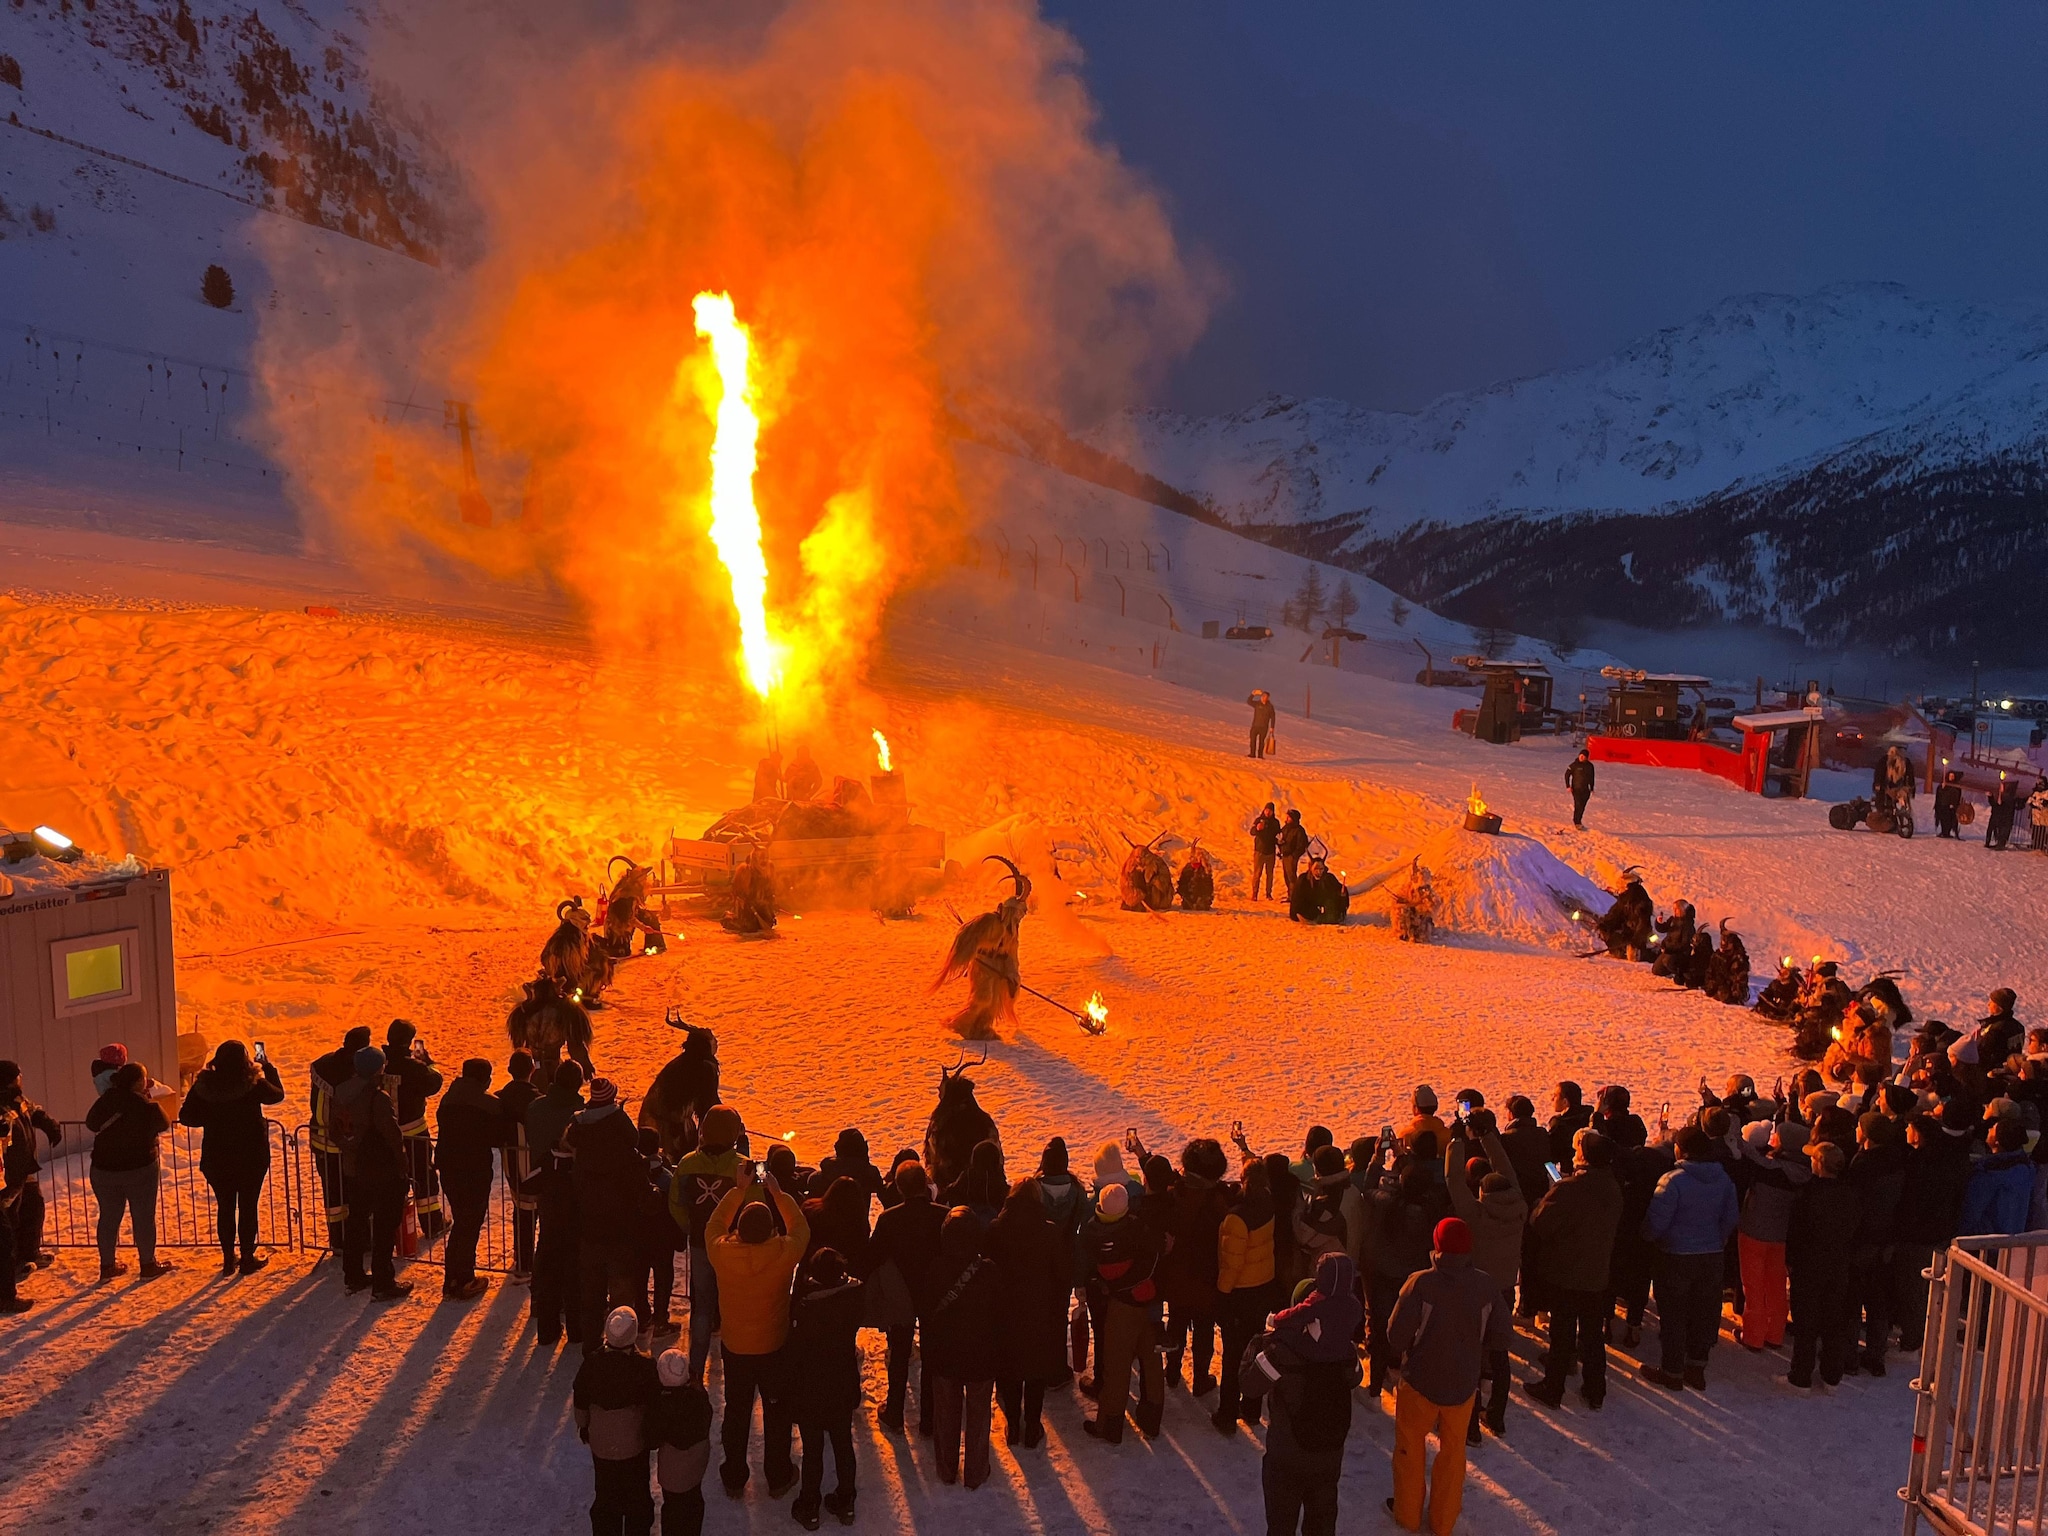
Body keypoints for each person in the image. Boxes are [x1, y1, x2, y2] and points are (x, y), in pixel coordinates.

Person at [1386, 1217, 1511, 1536]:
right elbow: (1502, 1336)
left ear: (1437, 1245)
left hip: (1419, 1383)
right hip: (1463, 1386)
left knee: (1409, 1448)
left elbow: (1396, 1335)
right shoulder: (1486, 1285)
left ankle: (1407, 1514)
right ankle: (1443, 1522)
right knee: (1453, 1455)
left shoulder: (1420, 1283)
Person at [1239, 1253, 1365, 1536]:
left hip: (1287, 1455)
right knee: (1321, 1525)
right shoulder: (1344, 1352)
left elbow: (1249, 1385)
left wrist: (1258, 1343)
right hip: (1329, 1453)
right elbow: (1357, 1377)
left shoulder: (1282, 1351)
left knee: (1281, 1524)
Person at [705, 1167, 808, 1495]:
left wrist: (738, 1190)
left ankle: (734, 1477)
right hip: (773, 1347)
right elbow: (800, 1227)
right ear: (771, 1230)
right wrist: (776, 1192)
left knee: (736, 1412)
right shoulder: (782, 1253)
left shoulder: (721, 1252)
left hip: (736, 1347)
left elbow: (714, 1223)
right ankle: (778, 1475)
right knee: (776, 1413)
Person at [1523, 1129, 1622, 1410]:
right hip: (1596, 1272)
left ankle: (1553, 1387)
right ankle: (1595, 1389)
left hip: (1566, 1273)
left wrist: (1546, 1197)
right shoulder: (1612, 1186)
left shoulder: (1569, 1188)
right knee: (1592, 1335)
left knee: (1562, 1331)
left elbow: (1541, 1222)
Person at [1442, 1114, 1525, 1439]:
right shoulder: (1518, 1205)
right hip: (1505, 1290)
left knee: (1473, 1357)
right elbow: (1508, 1173)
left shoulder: (1476, 1215)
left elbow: (1452, 1180)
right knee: (1500, 1354)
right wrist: (1488, 1136)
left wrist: (1458, 1141)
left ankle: (1472, 1424)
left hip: (1476, 1293)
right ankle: (1498, 1415)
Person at [1640, 1125, 1739, 1391]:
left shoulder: (1673, 1181)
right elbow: (1730, 1216)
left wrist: (1649, 1238)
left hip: (1675, 1256)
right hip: (1711, 1255)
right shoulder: (1722, 1179)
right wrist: (1717, 1239)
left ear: (1681, 1150)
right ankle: (1696, 1366)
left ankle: (1672, 1371)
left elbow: (1657, 1222)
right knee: (1704, 1312)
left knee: (1674, 1315)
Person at [177, 1040, 285, 1276]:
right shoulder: (253, 1083)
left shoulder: (205, 1086)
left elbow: (186, 1117)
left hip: (217, 1158)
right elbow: (277, 1095)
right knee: (248, 1206)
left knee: (225, 1207)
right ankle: (247, 1257)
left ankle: (228, 1259)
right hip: (251, 1156)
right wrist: (267, 1067)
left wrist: (212, 1116)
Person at [1080, 1181, 1167, 1442]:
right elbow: (1156, 1250)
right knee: (1151, 1361)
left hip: (1119, 1307)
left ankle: (1110, 1425)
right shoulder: (1137, 1228)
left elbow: (1088, 1267)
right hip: (1146, 1300)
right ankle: (1151, 1418)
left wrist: (1110, 1286)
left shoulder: (1091, 1231)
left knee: (1116, 1366)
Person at [784, 1248, 864, 1529]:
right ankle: (846, 1500)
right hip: (841, 1383)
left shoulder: (807, 1309)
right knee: (843, 1443)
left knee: (813, 1449)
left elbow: (794, 1352)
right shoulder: (851, 1299)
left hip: (810, 1388)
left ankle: (810, 1504)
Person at [923, 1207, 1003, 1488]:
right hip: (982, 1355)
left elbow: (927, 1312)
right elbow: (999, 1315)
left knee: (945, 1415)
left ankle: (946, 1469)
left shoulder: (935, 1268)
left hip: (945, 1355)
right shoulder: (990, 1270)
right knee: (979, 1416)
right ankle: (976, 1471)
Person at [866, 1160, 947, 1434]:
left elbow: (873, 1257)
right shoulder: (942, 1215)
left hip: (900, 1295)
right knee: (933, 1356)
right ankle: (929, 1418)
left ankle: (895, 1413)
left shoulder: (889, 1219)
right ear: (925, 1186)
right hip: (934, 1294)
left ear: (899, 1188)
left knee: (899, 1355)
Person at [987, 1177, 1068, 1447]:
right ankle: (1033, 1425)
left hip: (1003, 1312)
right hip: (1039, 1311)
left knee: (1009, 1370)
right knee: (1035, 1371)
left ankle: (1013, 1422)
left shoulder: (996, 1229)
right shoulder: (1050, 1232)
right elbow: (1060, 1276)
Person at [573, 1077, 652, 1352]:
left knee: (591, 1293)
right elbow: (640, 1190)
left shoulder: (581, 1147)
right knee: (620, 1291)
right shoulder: (626, 1155)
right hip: (620, 1232)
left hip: (589, 1228)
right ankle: (622, 1345)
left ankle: (591, 1344)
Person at [670, 1103, 745, 1383]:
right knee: (732, 1307)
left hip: (702, 1242)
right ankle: (735, 1369)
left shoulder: (688, 1164)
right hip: (734, 1246)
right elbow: (756, 1205)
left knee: (701, 1306)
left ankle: (695, 1368)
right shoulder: (743, 1167)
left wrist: (689, 1227)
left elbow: (676, 1202)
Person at [573, 1304, 660, 1536]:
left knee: (605, 1492)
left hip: (601, 1444)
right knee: (637, 1496)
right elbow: (654, 1405)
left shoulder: (592, 1363)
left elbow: (580, 1395)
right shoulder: (644, 1367)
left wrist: (584, 1425)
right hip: (634, 1445)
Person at [84, 1059, 173, 1282]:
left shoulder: (106, 1100)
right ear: (138, 1082)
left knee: (108, 1218)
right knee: (143, 1217)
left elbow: (92, 1124)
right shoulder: (146, 1106)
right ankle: (147, 1264)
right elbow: (163, 1124)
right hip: (140, 1168)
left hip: (104, 1169)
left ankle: (107, 1266)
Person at [333, 1046, 410, 1301]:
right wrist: (402, 1165)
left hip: (353, 1168)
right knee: (385, 1225)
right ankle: (382, 1282)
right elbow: (392, 1134)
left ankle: (353, 1275)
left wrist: (349, 1149)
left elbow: (336, 1130)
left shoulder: (340, 1092)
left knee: (356, 1221)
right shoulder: (378, 1097)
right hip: (380, 1170)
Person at [1786, 1141, 1862, 1390]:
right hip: (1839, 1264)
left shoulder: (1807, 1194)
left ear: (1818, 1163)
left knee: (1806, 1323)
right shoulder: (1850, 1193)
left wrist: (1790, 1261)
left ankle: (1801, 1376)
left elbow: (1795, 1232)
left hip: (1809, 1265)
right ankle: (1831, 1375)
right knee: (1833, 1320)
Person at [434, 1057, 508, 1301]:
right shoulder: (487, 1104)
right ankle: (462, 1279)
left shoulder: (449, 1098)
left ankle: (452, 1279)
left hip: (448, 1167)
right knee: (468, 1224)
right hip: (473, 1171)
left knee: (461, 1222)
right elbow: (499, 1136)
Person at [1213, 1159, 1278, 1433]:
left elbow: (1232, 1264)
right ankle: (1251, 1408)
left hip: (1240, 1293)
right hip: (1263, 1288)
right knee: (1255, 1352)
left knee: (1233, 1357)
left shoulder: (1237, 1218)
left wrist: (1221, 1294)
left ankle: (1227, 1414)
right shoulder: (1268, 1205)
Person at [1733, 1120, 1809, 1352]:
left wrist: (1736, 1134)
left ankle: (1754, 1336)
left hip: (1755, 1233)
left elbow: (1752, 1157)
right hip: (1781, 1236)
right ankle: (1775, 1333)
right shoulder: (1805, 1170)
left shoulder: (1772, 1169)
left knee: (1754, 1286)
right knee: (1776, 1285)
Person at [1163, 1139, 1230, 1395]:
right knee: (1204, 1330)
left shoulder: (1174, 1195)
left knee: (1177, 1324)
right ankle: (1201, 1378)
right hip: (1206, 1278)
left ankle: (1171, 1371)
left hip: (1178, 1276)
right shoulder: (1220, 1200)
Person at [529, 1061, 588, 1344]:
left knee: (548, 1260)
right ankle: (577, 1329)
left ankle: (545, 1321)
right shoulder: (581, 1115)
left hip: (548, 1203)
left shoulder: (536, 1108)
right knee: (574, 1271)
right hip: (575, 1213)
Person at [309, 1025, 374, 1254]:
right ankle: (362, 1241)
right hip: (349, 1145)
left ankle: (338, 1241)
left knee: (334, 1196)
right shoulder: (358, 1070)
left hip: (321, 1141)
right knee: (357, 1194)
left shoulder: (323, 1064)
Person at [384, 1018, 445, 1240]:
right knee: (424, 1179)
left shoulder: (380, 1063)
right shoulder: (414, 1067)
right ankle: (432, 1224)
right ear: (409, 1041)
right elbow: (434, 1083)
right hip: (415, 1135)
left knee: (391, 1182)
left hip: (386, 1136)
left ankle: (390, 1230)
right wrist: (429, 1063)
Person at [0, 1062, 61, 1272]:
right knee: (9, 1218)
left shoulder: (19, 1099)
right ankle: (13, 1261)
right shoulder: (2, 1107)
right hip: (8, 1173)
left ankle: (29, 1253)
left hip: (25, 1168)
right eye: (18, 1076)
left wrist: (49, 1125)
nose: (21, 1079)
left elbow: (34, 1111)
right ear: (9, 1080)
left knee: (33, 1208)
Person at [649, 1349, 713, 1536]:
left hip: (672, 1472)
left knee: (672, 1508)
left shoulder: (662, 1406)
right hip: (696, 1465)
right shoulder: (699, 1398)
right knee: (694, 1501)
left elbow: (652, 1439)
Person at [494, 1050, 543, 1280]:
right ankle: (530, 1262)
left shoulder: (500, 1098)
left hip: (511, 1162)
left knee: (520, 1209)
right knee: (535, 1211)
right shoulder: (537, 1100)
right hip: (533, 1163)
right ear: (532, 1070)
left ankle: (523, 1258)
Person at [1959, 1119, 2035, 1235]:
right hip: (2015, 1238)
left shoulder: (1989, 1173)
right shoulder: (2027, 1168)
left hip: (1987, 1242)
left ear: (1997, 1141)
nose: (1989, 1130)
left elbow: (1971, 1212)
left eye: (1993, 1129)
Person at [1287, 856, 1349, 925]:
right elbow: (1296, 899)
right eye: (1316, 869)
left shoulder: (1329, 878)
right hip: (1310, 908)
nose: (1319, 872)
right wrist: (1295, 915)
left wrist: (1342, 895)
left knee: (1331, 914)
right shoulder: (1303, 880)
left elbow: (1339, 894)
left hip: (1326, 906)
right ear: (1311, 868)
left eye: (1321, 869)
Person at [1546, 1083, 1592, 1165]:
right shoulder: (1590, 1116)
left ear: (1565, 1102)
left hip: (1569, 1171)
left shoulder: (1559, 1124)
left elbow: (1551, 1154)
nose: (1552, 1099)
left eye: (1555, 1096)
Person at [1250, 803, 1282, 901]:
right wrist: (1257, 828)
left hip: (1270, 852)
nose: (1268, 812)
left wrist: (1280, 845)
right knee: (1257, 873)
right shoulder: (1258, 820)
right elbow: (1252, 832)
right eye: (1267, 810)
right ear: (1264, 810)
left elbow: (1278, 836)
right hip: (1259, 851)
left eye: (1270, 811)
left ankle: (1268, 893)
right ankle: (1254, 893)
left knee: (1270, 874)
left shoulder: (1275, 823)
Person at [1277, 809, 1310, 895]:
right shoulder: (1285, 828)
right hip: (1284, 855)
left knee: (1291, 877)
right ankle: (1290, 894)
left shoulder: (1299, 830)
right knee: (1286, 876)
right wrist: (1280, 844)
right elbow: (1280, 838)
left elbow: (1302, 845)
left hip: (1291, 857)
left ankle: (1294, 895)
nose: (1287, 818)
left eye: (1289, 817)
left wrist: (1294, 855)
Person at [1565, 750, 1596, 827]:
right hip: (1576, 789)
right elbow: (1567, 775)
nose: (1581, 757)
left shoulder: (1590, 766)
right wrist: (1568, 786)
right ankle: (1576, 821)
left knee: (1582, 806)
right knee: (1578, 804)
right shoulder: (1574, 765)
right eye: (1580, 755)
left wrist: (1592, 788)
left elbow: (1592, 777)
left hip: (1585, 790)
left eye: (1583, 756)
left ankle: (1579, 820)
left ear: (1586, 757)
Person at [1934, 770, 1964, 838]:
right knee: (1944, 819)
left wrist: (1954, 804)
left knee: (1951, 820)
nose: (1951, 777)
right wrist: (1942, 788)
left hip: (1952, 806)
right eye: (1950, 776)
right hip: (1943, 805)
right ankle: (1944, 832)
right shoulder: (1943, 785)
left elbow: (1957, 795)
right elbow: (1940, 795)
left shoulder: (1956, 786)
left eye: (1952, 776)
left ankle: (1949, 832)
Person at [1247, 689, 1276, 759]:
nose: (1264, 698)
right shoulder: (1257, 704)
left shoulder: (1270, 707)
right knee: (1252, 740)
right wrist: (1253, 694)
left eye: (1265, 696)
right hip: (1255, 725)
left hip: (1264, 727)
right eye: (1263, 696)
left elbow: (1273, 717)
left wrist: (1272, 727)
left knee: (1261, 742)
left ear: (1268, 698)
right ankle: (1252, 754)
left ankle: (1260, 755)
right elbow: (1249, 702)